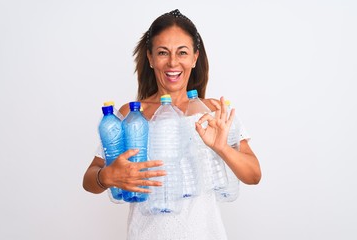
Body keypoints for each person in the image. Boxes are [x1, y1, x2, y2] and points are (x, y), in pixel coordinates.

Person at [83, 9, 261, 240]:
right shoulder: (132, 114)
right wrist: (106, 177)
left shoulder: (215, 112)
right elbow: (90, 178)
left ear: (195, 57)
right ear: (150, 58)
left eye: (182, 52)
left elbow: (254, 175)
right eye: (163, 53)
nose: (173, 62)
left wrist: (223, 148)